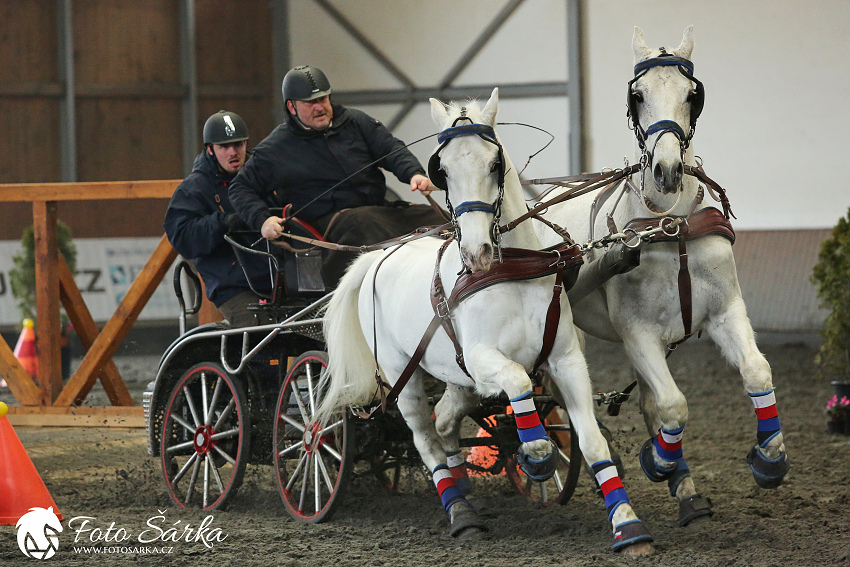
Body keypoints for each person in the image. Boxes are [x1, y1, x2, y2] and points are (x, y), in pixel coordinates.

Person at [228, 65, 447, 288]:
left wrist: (414, 173)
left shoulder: (356, 122)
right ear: (291, 107)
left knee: (441, 221)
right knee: (363, 224)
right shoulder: (275, 148)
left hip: (380, 211)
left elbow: (391, 149)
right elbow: (240, 188)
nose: (320, 107)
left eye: (323, 99)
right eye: (310, 102)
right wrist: (262, 220)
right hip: (331, 226)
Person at [164, 110, 276, 328]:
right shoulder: (195, 187)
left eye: (238, 145)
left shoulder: (263, 175)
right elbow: (180, 235)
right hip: (232, 285)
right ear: (210, 150)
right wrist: (222, 223)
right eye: (224, 147)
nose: (233, 152)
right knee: (256, 328)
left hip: (276, 276)